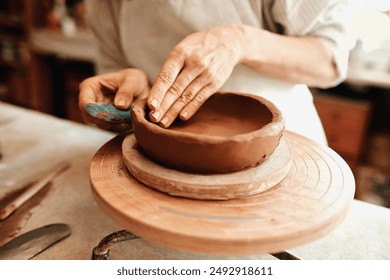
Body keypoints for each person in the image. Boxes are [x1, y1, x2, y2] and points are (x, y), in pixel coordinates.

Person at [79, 0, 356, 145]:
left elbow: (328, 59)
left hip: (282, 151)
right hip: (163, 156)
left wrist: (240, 41)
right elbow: (115, 64)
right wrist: (131, 86)